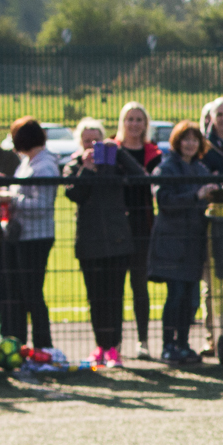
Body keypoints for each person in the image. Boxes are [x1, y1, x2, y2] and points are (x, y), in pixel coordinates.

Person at [65, 118, 146, 369]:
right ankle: (100, 346)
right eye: (87, 140)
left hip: (118, 240)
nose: (92, 145)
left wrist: (118, 152)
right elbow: (74, 194)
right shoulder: (73, 166)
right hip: (89, 243)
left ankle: (114, 348)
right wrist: (87, 169)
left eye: (96, 140)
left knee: (115, 296)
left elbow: (140, 177)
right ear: (80, 143)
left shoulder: (116, 163)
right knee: (96, 298)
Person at [148, 121, 218, 364]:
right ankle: (169, 345)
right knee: (175, 295)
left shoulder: (200, 169)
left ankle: (184, 344)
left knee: (191, 298)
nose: (190, 144)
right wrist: (196, 195)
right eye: (186, 139)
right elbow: (165, 202)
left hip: (194, 242)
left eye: (194, 139)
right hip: (172, 243)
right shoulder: (166, 169)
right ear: (177, 142)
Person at [0, 117, 59, 353]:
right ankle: (19, 343)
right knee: (19, 292)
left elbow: (42, 205)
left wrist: (11, 199)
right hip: (21, 236)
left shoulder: (44, 166)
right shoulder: (27, 163)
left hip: (36, 237)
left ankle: (44, 345)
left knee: (32, 292)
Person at [115, 102, 164, 359]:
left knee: (139, 285)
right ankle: (115, 343)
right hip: (114, 226)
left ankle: (142, 340)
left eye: (139, 120)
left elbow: (152, 183)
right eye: (129, 119)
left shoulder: (153, 153)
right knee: (114, 286)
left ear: (145, 124)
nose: (134, 124)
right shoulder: (111, 149)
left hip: (142, 225)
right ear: (122, 122)